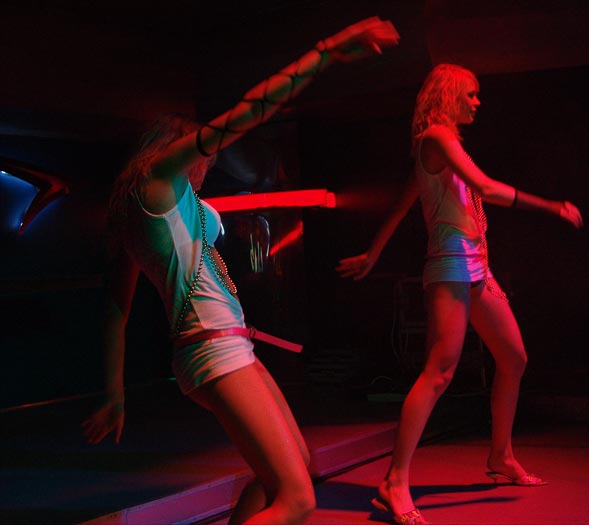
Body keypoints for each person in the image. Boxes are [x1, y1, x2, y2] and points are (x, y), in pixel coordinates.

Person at [81, 17, 399, 525]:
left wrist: (115, 395)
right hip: (212, 346)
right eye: (201, 157)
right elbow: (247, 113)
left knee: (289, 470)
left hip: (220, 342)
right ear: (175, 149)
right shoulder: (161, 180)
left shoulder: (154, 211)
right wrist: (326, 51)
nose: (206, 168)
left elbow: (115, 313)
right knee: (298, 498)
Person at [337, 63, 583, 525]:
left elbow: (405, 202)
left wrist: (372, 252)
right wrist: (551, 206)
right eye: (470, 94)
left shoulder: (442, 146)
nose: (477, 102)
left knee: (513, 358)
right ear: (448, 94)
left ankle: (501, 456)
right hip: (450, 265)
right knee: (440, 371)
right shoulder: (435, 137)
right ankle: (394, 481)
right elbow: (485, 187)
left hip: (476, 266)